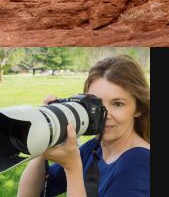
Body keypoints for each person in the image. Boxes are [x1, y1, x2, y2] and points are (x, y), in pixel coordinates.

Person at [17, 55, 150, 197]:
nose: (104, 115)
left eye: (118, 104)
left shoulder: (141, 163)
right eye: (96, 104)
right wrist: (47, 137)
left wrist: (72, 168)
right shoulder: (94, 149)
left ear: (138, 108)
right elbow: (29, 194)